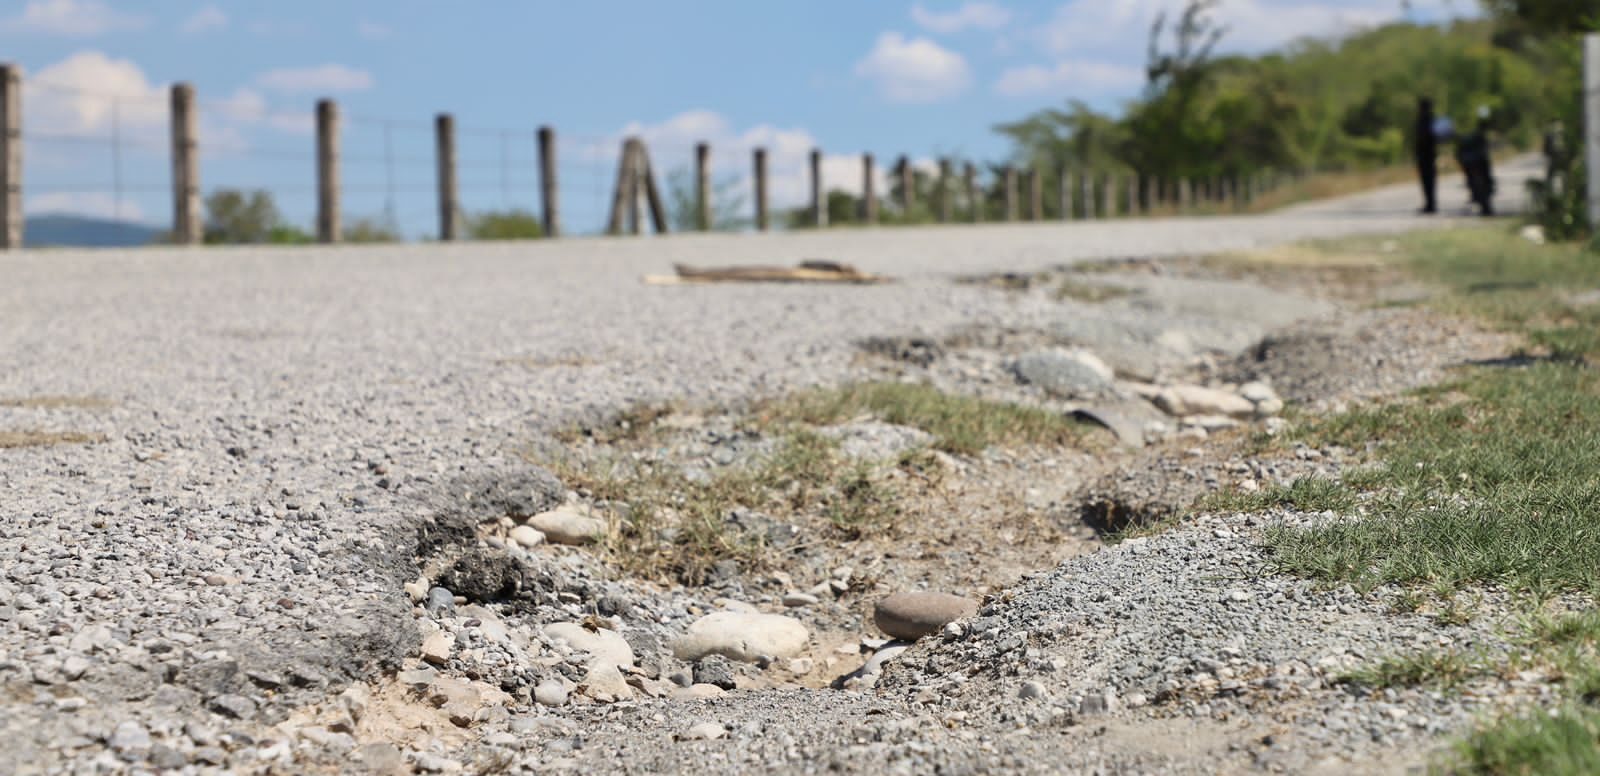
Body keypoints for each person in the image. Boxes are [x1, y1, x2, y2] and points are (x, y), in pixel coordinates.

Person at [1456, 113, 1495, 216]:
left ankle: (1483, 203)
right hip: (1474, 162)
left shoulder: (1476, 135)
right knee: (1478, 181)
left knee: (1483, 181)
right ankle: (1481, 201)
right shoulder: (1470, 135)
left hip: (1477, 162)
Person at [1414, 97, 1438, 214]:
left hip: (1426, 155)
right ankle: (1430, 204)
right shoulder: (1432, 119)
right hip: (1430, 155)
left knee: (1427, 181)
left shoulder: (1425, 120)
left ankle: (1430, 205)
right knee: (1430, 181)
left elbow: (1422, 138)